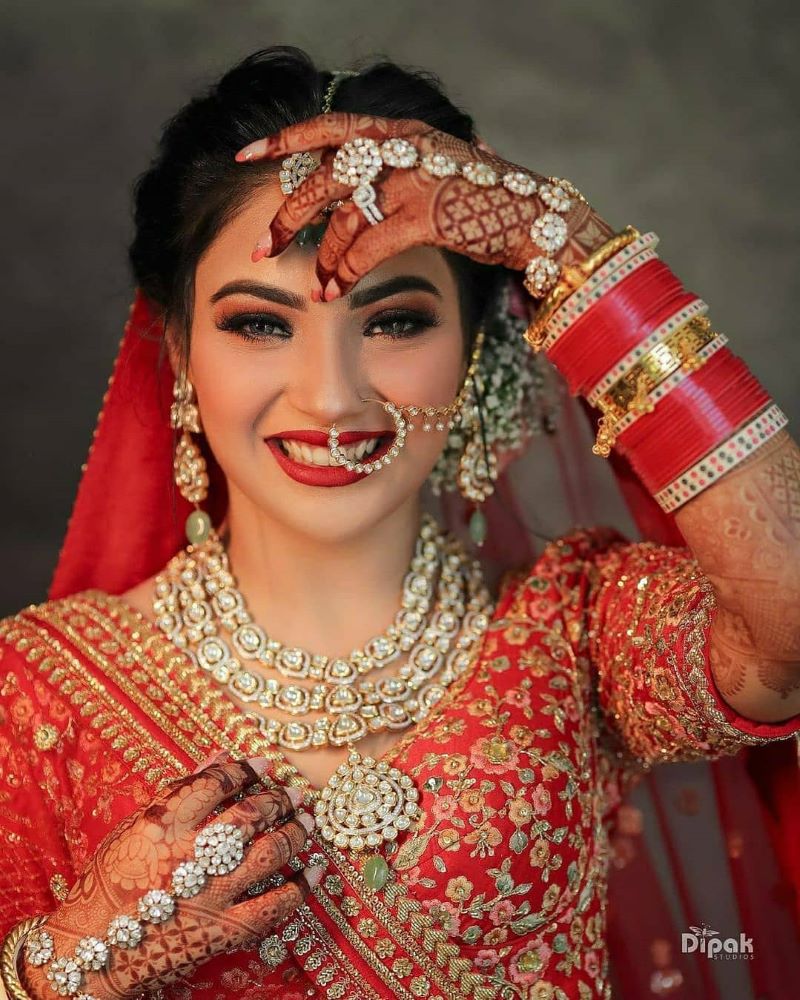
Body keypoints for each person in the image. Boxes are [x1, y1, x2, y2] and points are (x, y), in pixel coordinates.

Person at [0, 46, 798, 1000]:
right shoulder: (38, 692)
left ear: (476, 351)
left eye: (395, 322)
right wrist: (71, 965)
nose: (331, 398)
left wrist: (570, 246)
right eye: (261, 323)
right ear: (179, 353)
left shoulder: (577, 628)